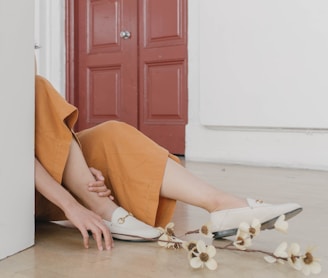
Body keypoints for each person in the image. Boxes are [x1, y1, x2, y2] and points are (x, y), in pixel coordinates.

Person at [34, 74, 302, 251]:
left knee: (110, 135)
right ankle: (99, 206)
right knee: (36, 86)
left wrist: (75, 163)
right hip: (18, 184)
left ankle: (222, 205)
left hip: (39, 164)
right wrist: (71, 205)